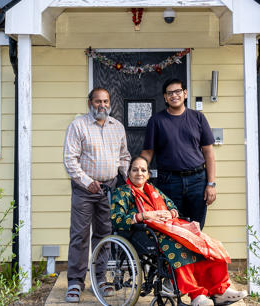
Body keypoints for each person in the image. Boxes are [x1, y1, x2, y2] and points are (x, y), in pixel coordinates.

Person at [111, 156, 247, 306]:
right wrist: (145, 215)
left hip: (169, 228)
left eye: (143, 170)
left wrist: (170, 213)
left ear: (148, 175)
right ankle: (197, 295)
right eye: (135, 169)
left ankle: (220, 291)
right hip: (146, 234)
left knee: (206, 244)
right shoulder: (122, 192)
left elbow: (171, 206)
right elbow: (117, 219)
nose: (139, 173)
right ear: (128, 173)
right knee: (180, 247)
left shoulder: (153, 190)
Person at [62, 87, 131, 303]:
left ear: (110, 103)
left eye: (106, 101)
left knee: (104, 235)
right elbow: (70, 160)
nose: (102, 105)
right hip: (84, 190)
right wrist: (87, 182)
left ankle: (99, 280)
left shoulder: (117, 127)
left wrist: (129, 180)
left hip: (109, 188)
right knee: (80, 235)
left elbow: (124, 156)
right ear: (90, 102)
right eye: (98, 101)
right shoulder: (78, 125)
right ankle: (75, 281)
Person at [141, 78, 216, 227]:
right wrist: (139, 175)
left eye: (178, 91)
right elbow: (148, 152)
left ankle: (193, 251)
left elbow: (208, 152)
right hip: (169, 182)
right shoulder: (156, 121)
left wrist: (211, 184)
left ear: (185, 93)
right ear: (165, 97)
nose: (174, 95)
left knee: (196, 227)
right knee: (171, 227)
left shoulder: (198, 118)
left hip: (197, 181)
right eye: (170, 93)